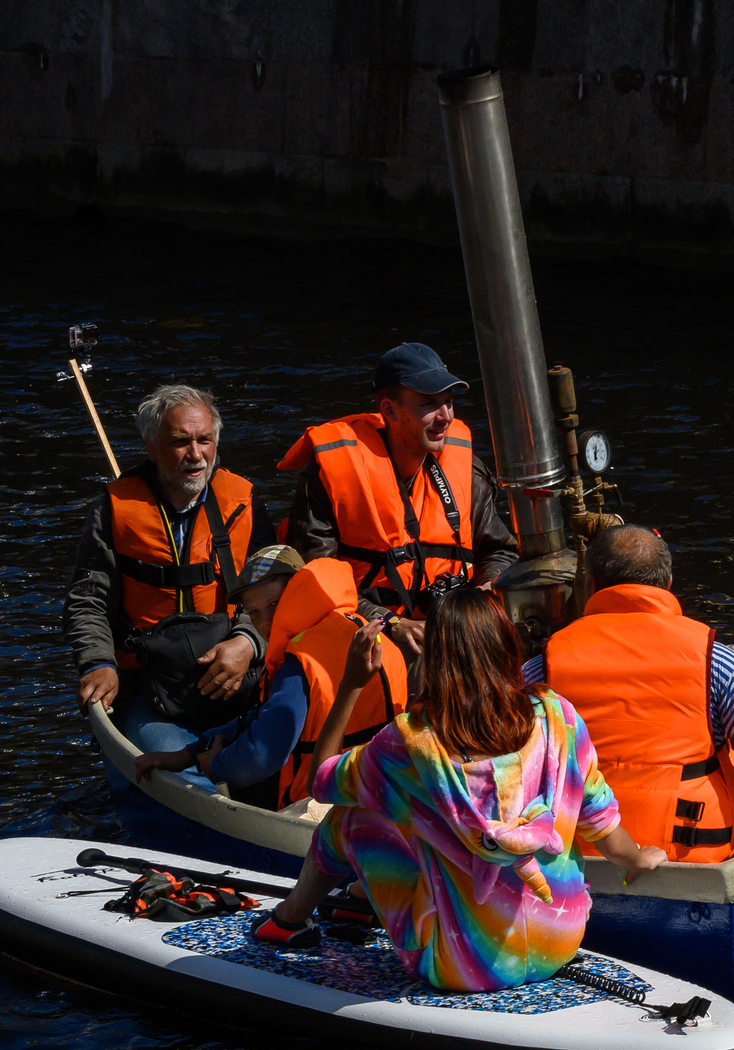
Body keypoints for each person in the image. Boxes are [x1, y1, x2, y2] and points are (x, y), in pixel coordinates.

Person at [250, 587, 668, 992]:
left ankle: (288, 920)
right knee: (400, 804)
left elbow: (321, 782)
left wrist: (352, 683)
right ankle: (358, 901)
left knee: (354, 813)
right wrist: (636, 857)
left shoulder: (412, 741)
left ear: (434, 660)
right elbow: (600, 823)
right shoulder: (559, 717)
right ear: (508, 648)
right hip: (558, 940)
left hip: (459, 964)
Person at [536, 526, 734, 863]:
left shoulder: (544, 665)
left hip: (576, 864)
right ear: (668, 582)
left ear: (590, 584)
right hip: (692, 865)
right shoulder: (712, 660)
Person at [65, 383, 262, 792]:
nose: (196, 455)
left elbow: (283, 594)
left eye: (204, 440)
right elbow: (88, 600)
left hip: (231, 679)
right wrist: (98, 662)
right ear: (151, 447)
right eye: (179, 442)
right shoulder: (112, 510)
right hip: (148, 689)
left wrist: (248, 641)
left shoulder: (243, 502)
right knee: (179, 776)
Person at [277, 342, 518, 661]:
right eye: (429, 404)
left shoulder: (467, 471)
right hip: (373, 639)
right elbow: (316, 582)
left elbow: (500, 549)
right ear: (389, 410)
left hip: (458, 629)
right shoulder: (330, 474)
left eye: (449, 402)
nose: (445, 416)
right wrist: (390, 623)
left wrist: (486, 590)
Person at [128, 544, 412, 809]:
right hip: (384, 788)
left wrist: (215, 765)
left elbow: (261, 756)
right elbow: (265, 716)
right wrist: (189, 753)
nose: (265, 621)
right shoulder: (369, 633)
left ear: (300, 591)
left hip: (316, 804)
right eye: (253, 612)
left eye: (275, 604)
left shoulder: (300, 662)